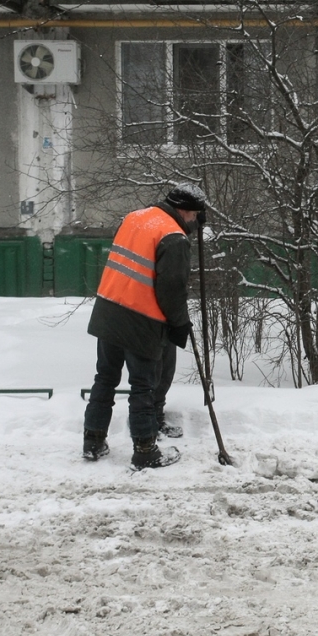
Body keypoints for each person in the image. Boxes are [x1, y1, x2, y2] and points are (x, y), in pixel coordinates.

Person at [82, 183, 206, 469]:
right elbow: (172, 290)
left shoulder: (135, 217)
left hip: (109, 310)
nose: (196, 224)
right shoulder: (173, 236)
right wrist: (179, 323)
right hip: (141, 320)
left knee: (105, 378)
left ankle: (93, 441)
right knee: (143, 388)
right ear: (186, 211)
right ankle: (146, 450)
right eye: (196, 217)